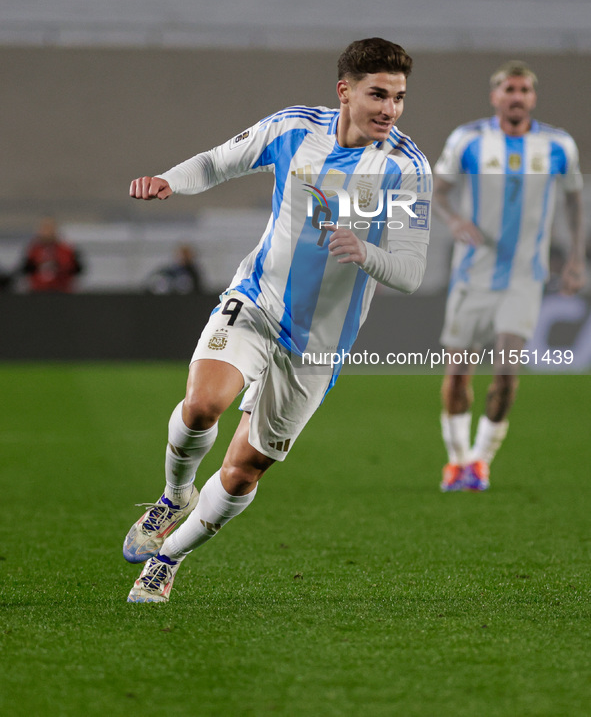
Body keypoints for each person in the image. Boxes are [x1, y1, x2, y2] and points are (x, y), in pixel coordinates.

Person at [124, 37, 432, 602]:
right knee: (202, 404)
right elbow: (219, 162)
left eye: (399, 97)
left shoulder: (407, 169)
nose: (390, 109)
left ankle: (169, 557)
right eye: (378, 95)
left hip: (320, 342)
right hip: (258, 300)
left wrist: (367, 253)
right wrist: (171, 180)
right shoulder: (293, 129)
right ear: (345, 92)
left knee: (243, 470)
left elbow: (411, 271)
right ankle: (174, 493)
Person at [433, 60, 585, 492]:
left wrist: (576, 258)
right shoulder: (468, 140)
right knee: (458, 372)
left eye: (524, 91)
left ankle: (480, 462)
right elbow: (439, 189)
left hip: (525, 277)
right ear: (495, 96)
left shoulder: (558, 145)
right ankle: (457, 460)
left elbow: (575, 200)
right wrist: (455, 219)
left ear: (532, 98)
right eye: (509, 90)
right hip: (472, 274)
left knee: (505, 373)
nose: (517, 97)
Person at [19, 217, 84, 292]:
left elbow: (77, 269)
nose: (47, 232)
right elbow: (25, 269)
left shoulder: (66, 250)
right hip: (38, 291)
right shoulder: (33, 250)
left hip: (61, 291)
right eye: (44, 228)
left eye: (49, 228)